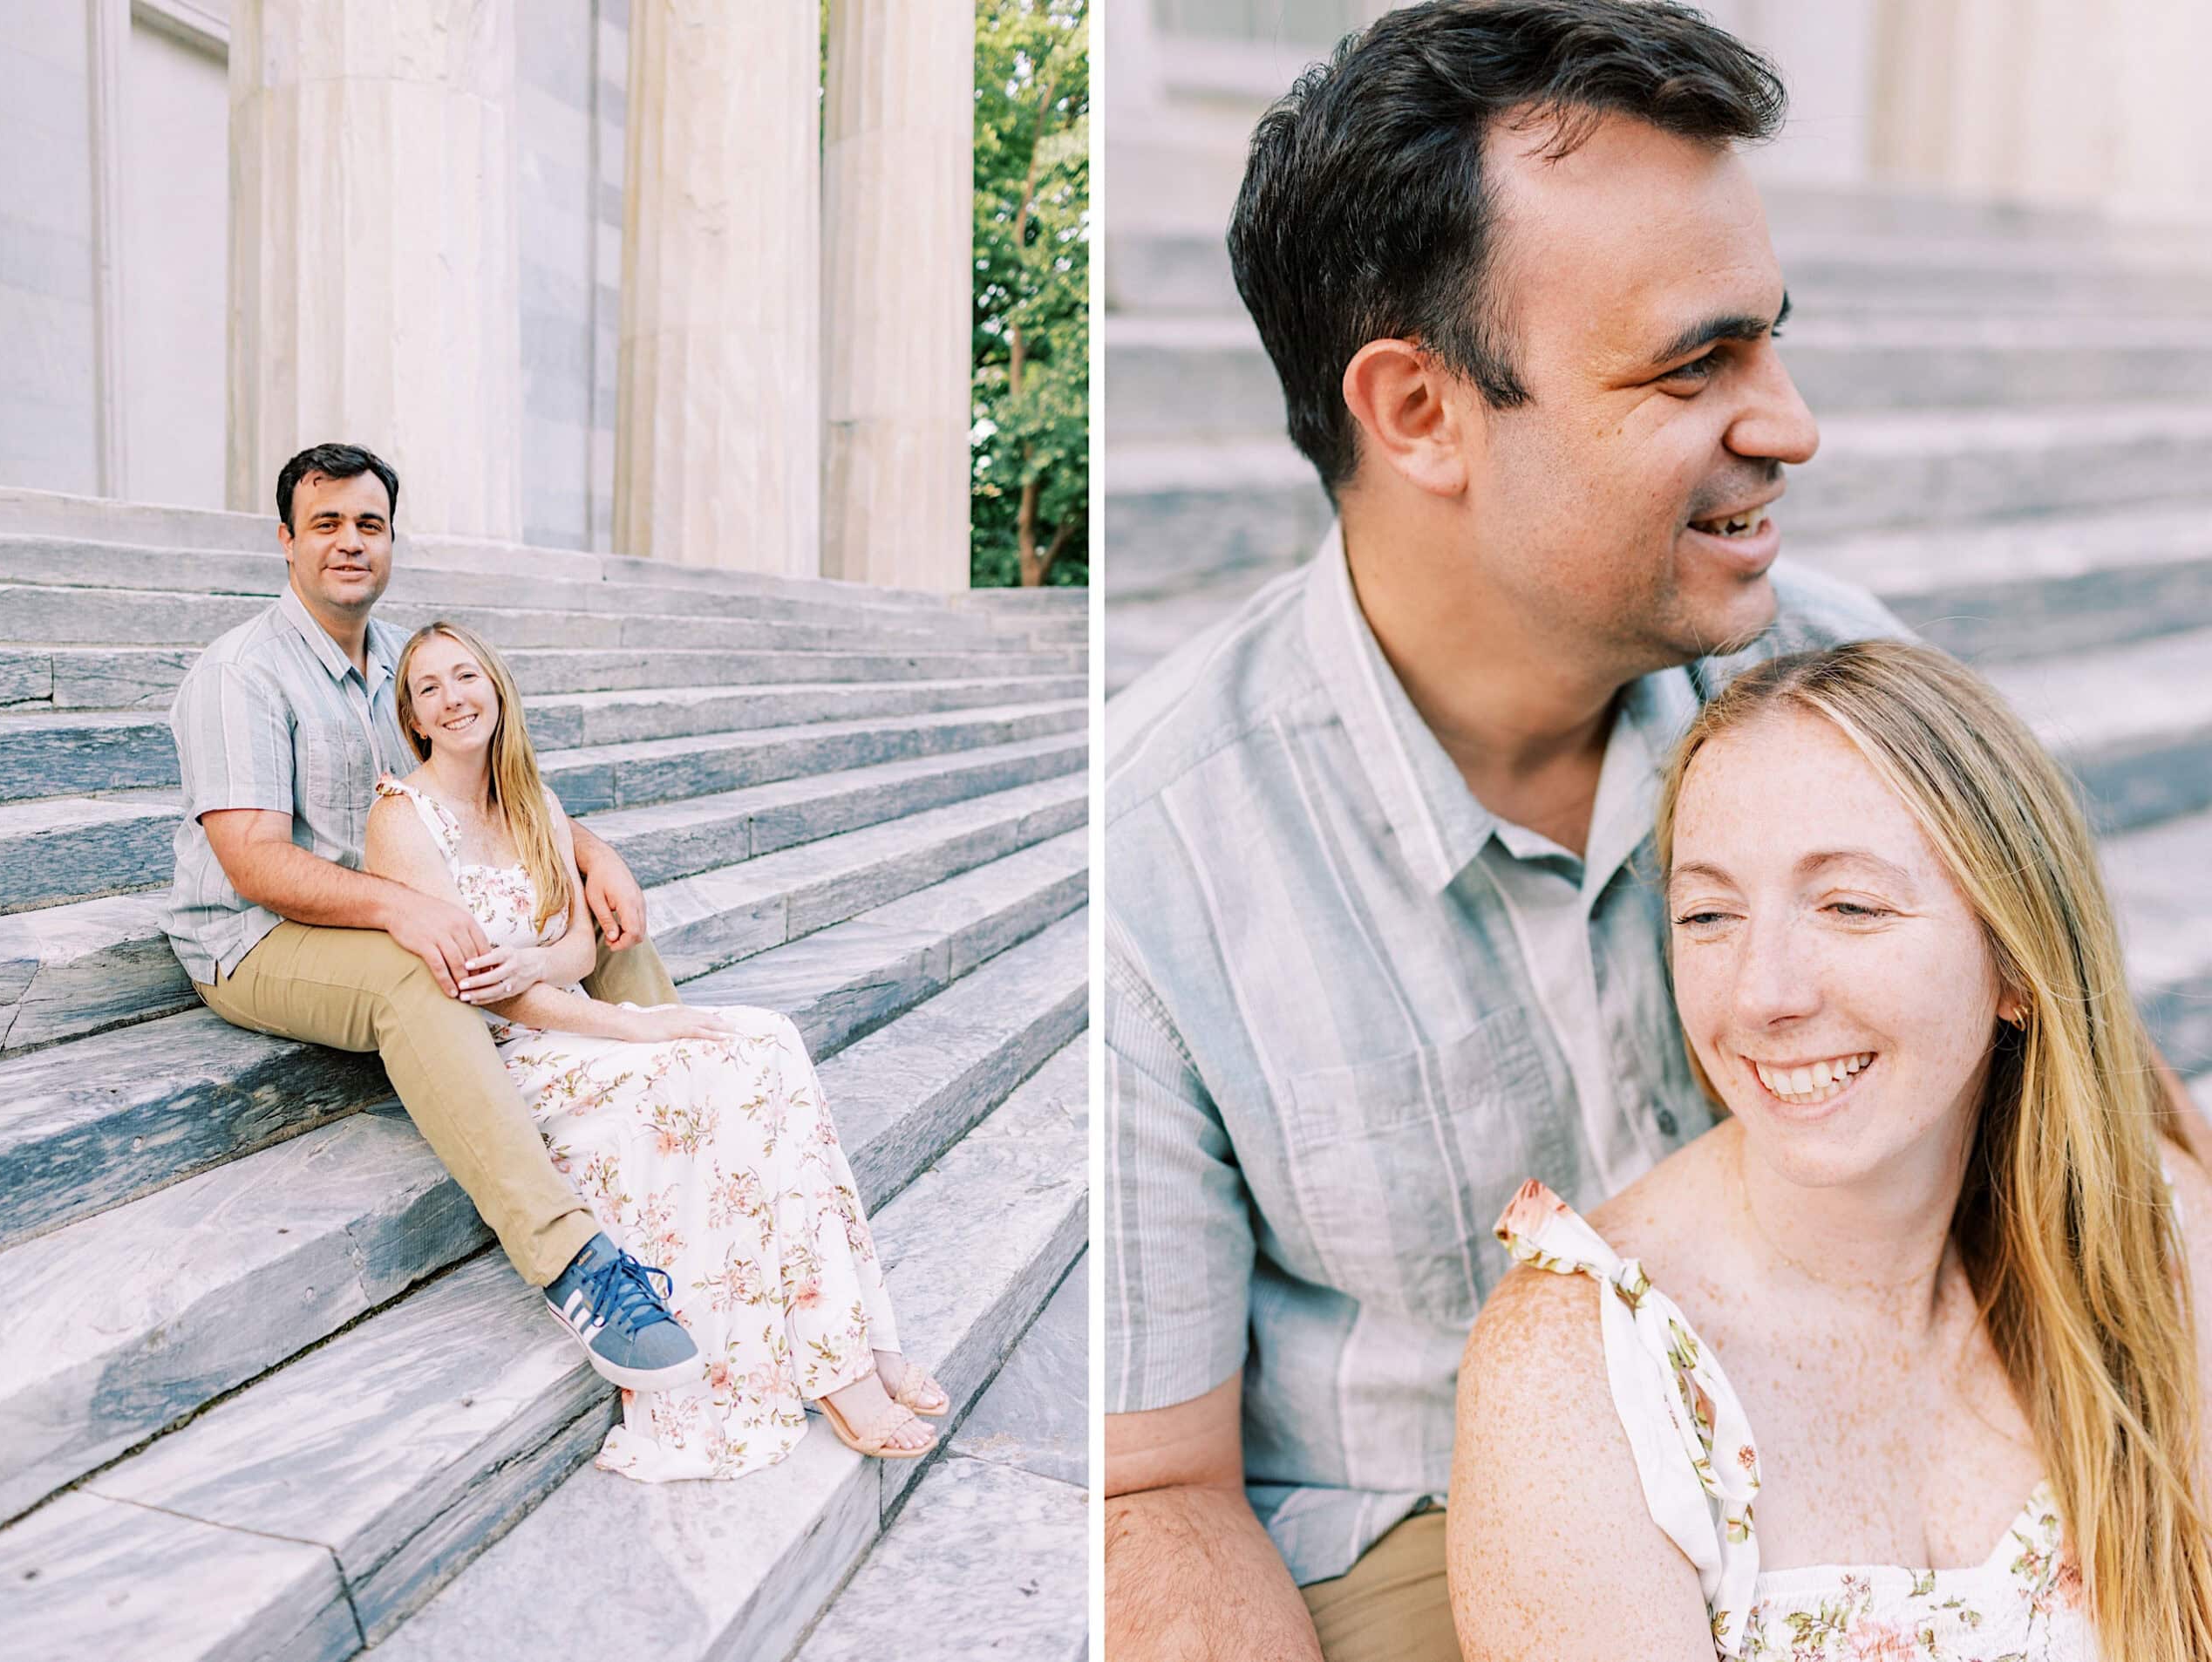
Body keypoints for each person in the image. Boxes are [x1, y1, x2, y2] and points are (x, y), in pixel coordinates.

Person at [1099, 5, 2205, 1659]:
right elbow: (1149, 1491)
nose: (1790, 423)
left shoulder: (1833, 678)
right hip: (1415, 1551)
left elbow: (2120, 1121)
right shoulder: (1160, 858)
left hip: (1899, 1460)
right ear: (1419, 414)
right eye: (1698, 364)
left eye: (1767, 340)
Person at [1451, 639, 2212, 1660]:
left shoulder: (2154, 1237)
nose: (1764, 993)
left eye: (1849, 906)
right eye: (1708, 913)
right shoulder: (1578, 1370)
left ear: (2015, 963)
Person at [167, 442, 690, 1393]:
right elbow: (252, 862)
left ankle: (685, 1095)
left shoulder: (410, 665)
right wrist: (402, 907)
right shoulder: (239, 673)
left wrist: (591, 852)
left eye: (368, 524)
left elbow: (489, 793)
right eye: (325, 523)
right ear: (286, 540)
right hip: (256, 937)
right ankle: (574, 1262)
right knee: (426, 969)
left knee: (601, 924)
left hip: (389, 901)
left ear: (391, 539)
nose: (349, 542)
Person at [363, 621, 943, 1468]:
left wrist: (547, 962)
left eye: (466, 677)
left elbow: (573, 949)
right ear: (413, 717)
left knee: (770, 1040)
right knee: (713, 1074)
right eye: (429, 688)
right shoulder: (403, 818)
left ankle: (858, 1333)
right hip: (511, 1058)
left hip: (570, 1022)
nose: (453, 699)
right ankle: (837, 1372)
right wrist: (634, 1023)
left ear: (496, 687)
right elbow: (479, 987)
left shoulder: (533, 802)